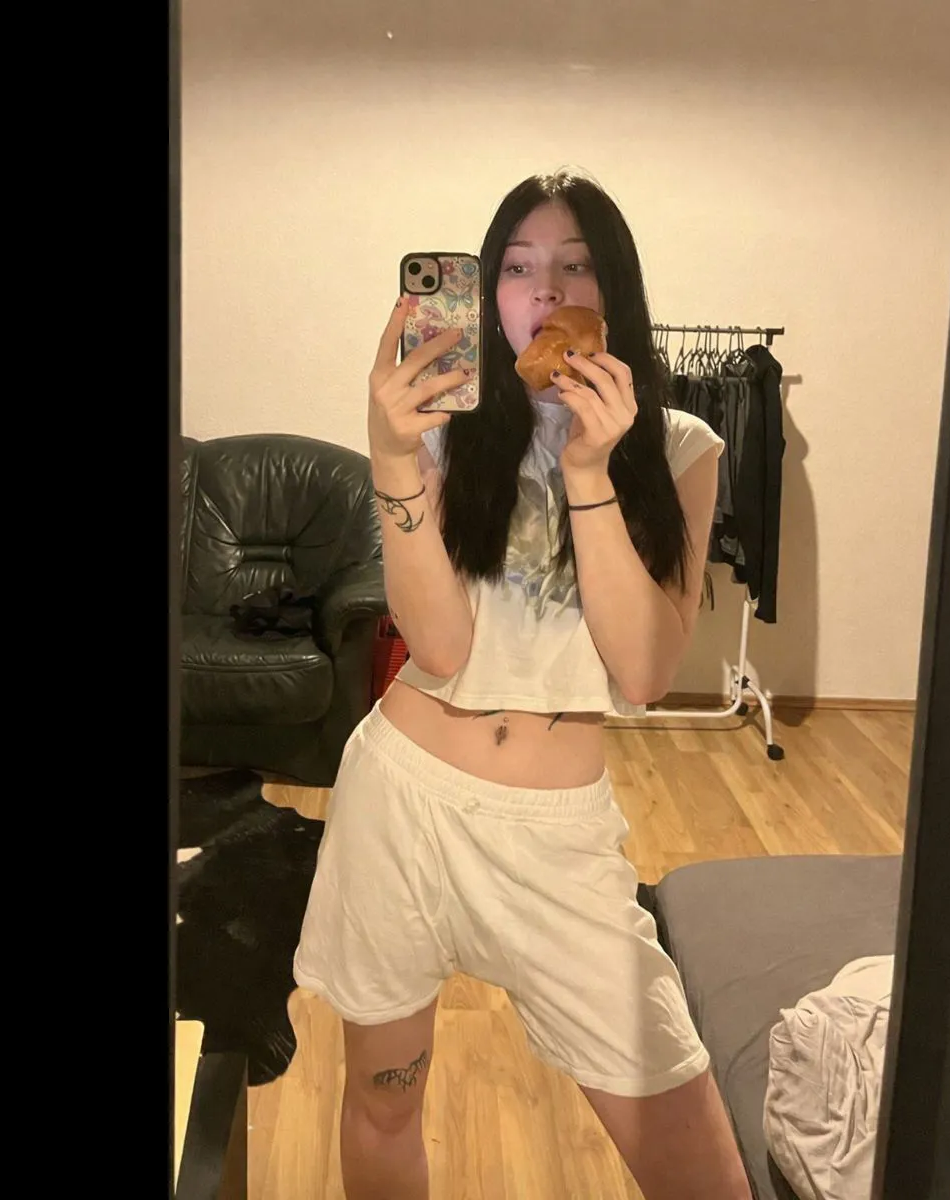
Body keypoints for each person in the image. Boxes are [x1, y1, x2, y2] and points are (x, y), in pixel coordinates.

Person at [294, 170, 752, 1200]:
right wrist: (391, 456)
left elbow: (642, 672)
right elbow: (440, 645)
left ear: (613, 291)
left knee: (698, 1166)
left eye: (574, 266)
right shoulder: (442, 428)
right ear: (487, 293)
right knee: (383, 1102)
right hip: (402, 803)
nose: (544, 292)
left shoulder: (679, 448)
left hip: (558, 841)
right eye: (516, 268)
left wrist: (591, 471)